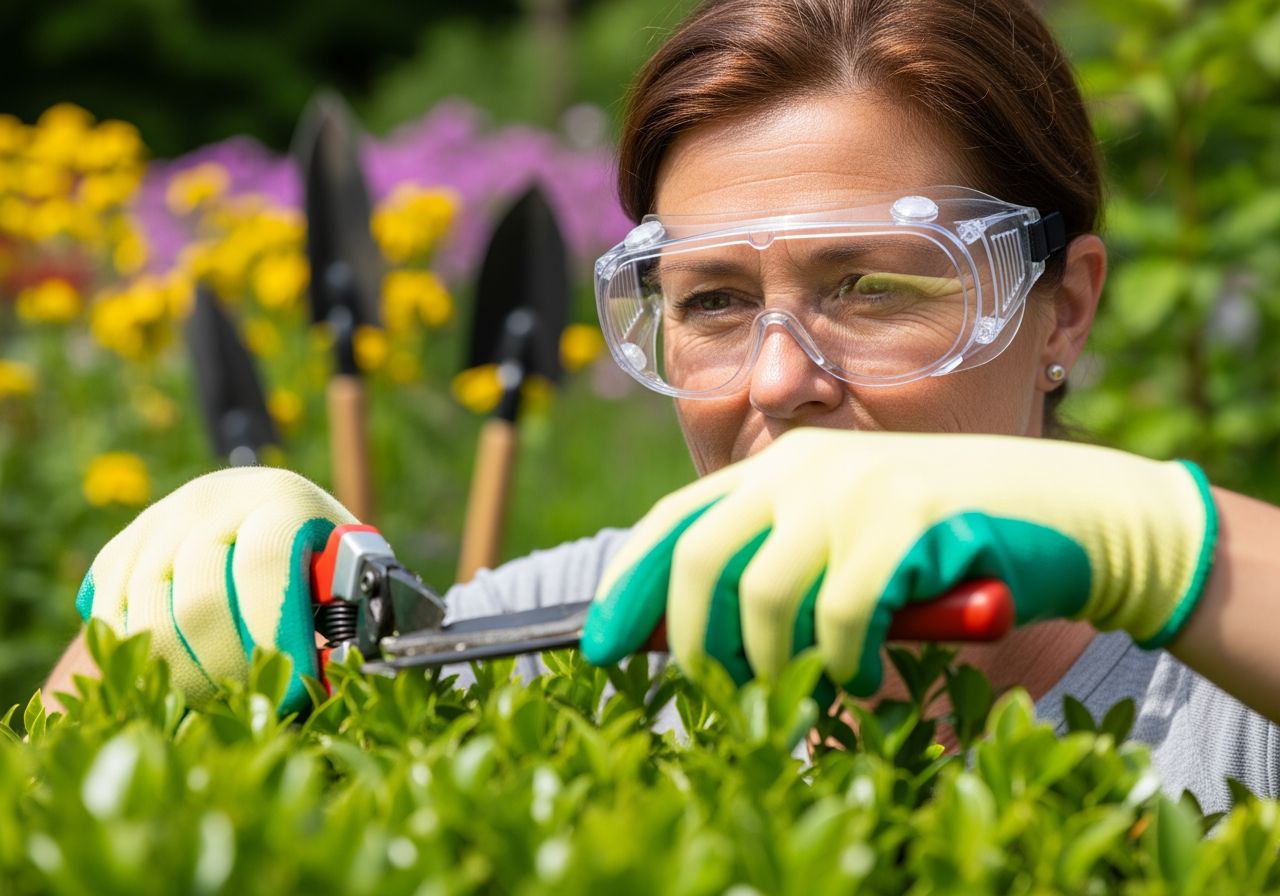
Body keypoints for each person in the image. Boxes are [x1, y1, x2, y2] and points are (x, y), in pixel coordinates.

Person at [45, 0, 1280, 814]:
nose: (779, 379)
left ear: (1060, 308)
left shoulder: (1220, 704)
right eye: (712, 302)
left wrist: (1166, 545)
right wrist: (150, 623)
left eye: (873, 285)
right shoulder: (579, 637)